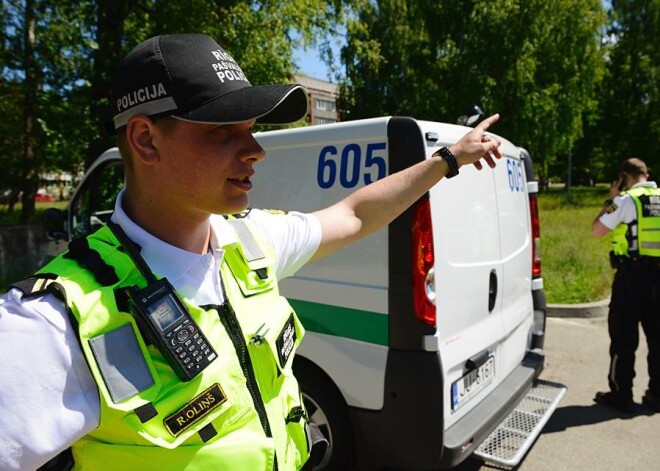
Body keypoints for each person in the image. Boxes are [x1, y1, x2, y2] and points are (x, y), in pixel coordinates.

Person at [0, 33, 502, 471]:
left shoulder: (252, 240)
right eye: (225, 131)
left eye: (252, 128)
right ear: (146, 140)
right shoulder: (52, 324)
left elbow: (352, 215)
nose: (257, 149)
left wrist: (447, 160)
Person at [592, 157, 660, 414]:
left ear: (623, 177)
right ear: (647, 174)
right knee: (658, 339)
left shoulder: (625, 200)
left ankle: (622, 395)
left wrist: (611, 198)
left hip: (632, 279)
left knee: (623, 337)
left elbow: (598, 230)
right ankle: (657, 395)